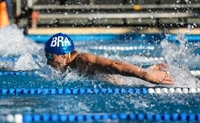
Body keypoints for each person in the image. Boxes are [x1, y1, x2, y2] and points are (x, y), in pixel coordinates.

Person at [44, 33, 174, 85]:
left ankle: (150, 71)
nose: (48, 62)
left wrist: (147, 76)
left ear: (63, 54)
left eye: (50, 56)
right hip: (119, 81)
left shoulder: (82, 60)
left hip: (121, 83)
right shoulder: (67, 67)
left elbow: (115, 65)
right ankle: (151, 68)